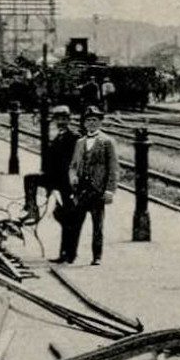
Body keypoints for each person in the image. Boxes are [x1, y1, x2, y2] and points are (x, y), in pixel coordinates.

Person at [56, 107, 118, 265]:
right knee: (75, 222)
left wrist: (110, 190)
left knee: (98, 225)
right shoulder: (80, 142)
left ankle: (97, 256)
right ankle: (70, 255)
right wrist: (73, 177)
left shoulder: (107, 142)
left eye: (95, 120)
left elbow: (113, 168)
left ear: (100, 122)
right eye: (88, 120)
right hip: (81, 190)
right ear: (84, 123)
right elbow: (73, 165)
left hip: (97, 189)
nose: (91, 123)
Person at [25, 106, 78, 222]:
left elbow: (70, 162)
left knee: (31, 180)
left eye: (64, 119)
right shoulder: (58, 137)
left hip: (64, 179)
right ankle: (32, 211)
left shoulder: (73, 138)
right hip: (55, 177)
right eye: (58, 119)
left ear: (69, 121)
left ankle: (33, 211)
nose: (61, 122)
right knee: (29, 179)